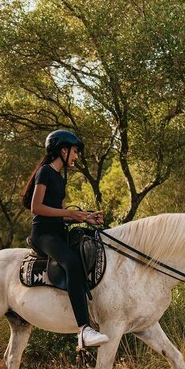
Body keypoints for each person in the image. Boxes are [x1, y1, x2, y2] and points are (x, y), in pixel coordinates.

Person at [21, 130, 109, 347]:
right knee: (71, 262)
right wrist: (70, 213)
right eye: (75, 151)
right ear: (63, 150)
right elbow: (37, 207)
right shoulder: (45, 173)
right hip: (43, 234)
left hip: (58, 231)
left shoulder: (59, 178)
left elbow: (60, 213)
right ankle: (83, 329)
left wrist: (87, 217)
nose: (76, 157)